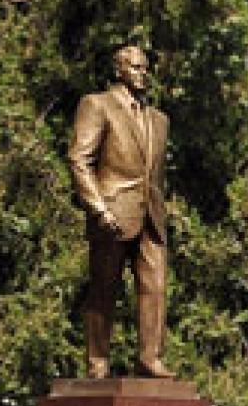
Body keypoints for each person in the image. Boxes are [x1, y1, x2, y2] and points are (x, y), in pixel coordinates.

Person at [68, 45, 173, 380]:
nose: (143, 73)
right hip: (112, 212)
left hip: (151, 216)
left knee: (155, 287)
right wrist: (98, 208)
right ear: (119, 70)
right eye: (136, 67)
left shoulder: (159, 120)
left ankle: (149, 358)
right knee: (104, 290)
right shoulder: (97, 105)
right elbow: (79, 160)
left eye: (145, 67)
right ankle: (97, 361)